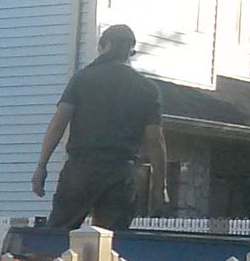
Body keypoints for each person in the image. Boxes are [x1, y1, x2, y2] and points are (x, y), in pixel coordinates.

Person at [31, 24, 167, 231]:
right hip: (121, 171)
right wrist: (158, 186)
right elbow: (155, 141)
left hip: (82, 167)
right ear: (130, 51)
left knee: (59, 234)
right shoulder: (147, 88)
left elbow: (58, 123)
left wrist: (42, 165)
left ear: (105, 45)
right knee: (110, 239)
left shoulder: (83, 78)